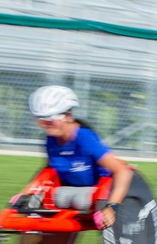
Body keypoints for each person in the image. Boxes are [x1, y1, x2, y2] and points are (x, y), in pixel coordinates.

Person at [27, 85, 132, 229]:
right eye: (41, 121)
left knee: (80, 199)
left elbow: (123, 172)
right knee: (39, 199)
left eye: (50, 120)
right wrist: (26, 194)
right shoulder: (51, 139)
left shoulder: (84, 137)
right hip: (68, 190)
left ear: (67, 116)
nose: (46, 126)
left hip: (96, 192)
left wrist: (111, 207)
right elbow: (48, 172)